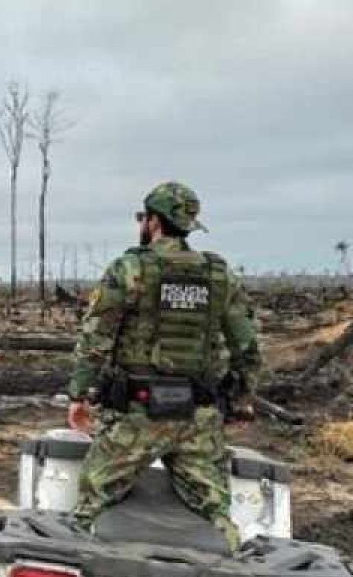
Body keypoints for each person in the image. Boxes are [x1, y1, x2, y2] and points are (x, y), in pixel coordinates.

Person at [66, 182, 263, 548]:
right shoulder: (219, 275)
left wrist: (79, 395)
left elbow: (96, 338)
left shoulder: (130, 269)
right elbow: (248, 347)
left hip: (137, 416)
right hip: (198, 419)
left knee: (93, 504)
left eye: (145, 218)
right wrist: (240, 400)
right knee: (215, 513)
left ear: (154, 222)